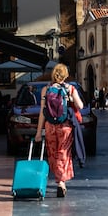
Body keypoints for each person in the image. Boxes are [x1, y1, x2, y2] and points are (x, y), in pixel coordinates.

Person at [35, 63, 84, 198]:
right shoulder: (70, 89)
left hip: (50, 126)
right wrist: (72, 100)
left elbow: (43, 112)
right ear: (65, 75)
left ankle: (59, 179)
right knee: (63, 153)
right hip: (65, 126)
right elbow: (80, 105)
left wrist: (39, 132)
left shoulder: (46, 89)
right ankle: (61, 182)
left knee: (52, 153)